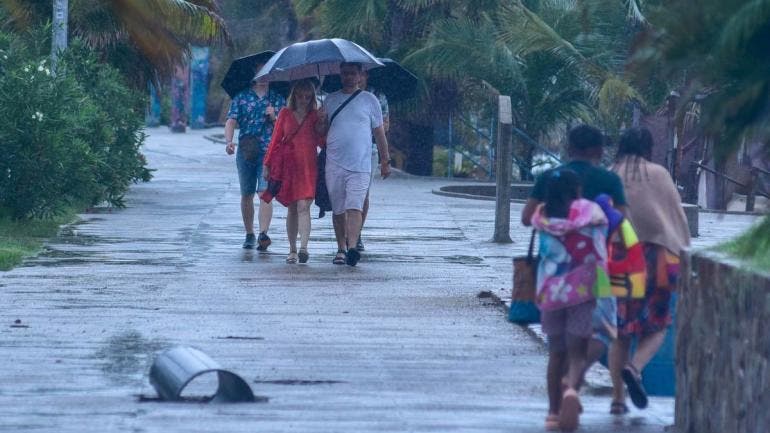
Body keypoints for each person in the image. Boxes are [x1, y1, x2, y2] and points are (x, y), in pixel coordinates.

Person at [522, 124, 627, 413]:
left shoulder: (549, 178)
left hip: (552, 283)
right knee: (605, 333)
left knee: (556, 350)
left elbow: (526, 217)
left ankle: (553, 414)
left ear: (570, 147)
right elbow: (621, 225)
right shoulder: (608, 180)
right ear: (599, 149)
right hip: (595, 276)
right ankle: (573, 381)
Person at [608, 127, 690, 414]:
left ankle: (618, 399)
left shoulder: (611, 173)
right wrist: (685, 252)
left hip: (620, 256)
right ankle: (635, 367)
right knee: (657, 324)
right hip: (657, 256)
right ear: (648, 147)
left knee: (621, 332)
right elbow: (677, 217)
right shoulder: (659, 174)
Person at [531, 169, 609, 432]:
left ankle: (553, 414)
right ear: (577, 192)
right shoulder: (589, 212)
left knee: (555, 353)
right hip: (583, 292)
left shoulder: (541, 216)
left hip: (551, 294)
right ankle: (571, 387)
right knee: (576, 354)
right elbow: (603, 228)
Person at [317, 62, 391, 266]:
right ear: (340, 75)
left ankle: (351, 247)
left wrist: (385, 160)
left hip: (360, 164)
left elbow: (379, 132)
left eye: (352, 73)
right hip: (334, 163)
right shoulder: (330, 99)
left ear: (360, 75)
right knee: (339, 208)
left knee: (355, 205)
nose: (348, 77)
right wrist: (321, 120)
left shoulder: (370, 100)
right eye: (344, 74)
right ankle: (340, 248)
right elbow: (320, 132)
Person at [262, 79, 325, 264]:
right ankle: (292, 250)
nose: (304, 99)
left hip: (308, 166)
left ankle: (304, 247)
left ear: (312, 97)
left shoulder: (315, 115)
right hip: (289, 166)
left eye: (308, 96)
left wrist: (322, 123)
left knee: (304, 206)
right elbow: (275, 139)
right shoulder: (284, 113)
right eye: (300, 95)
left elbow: (322, 141)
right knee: (292, 208)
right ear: (294, 95)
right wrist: (267, 164)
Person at [224, 69, 286, 250]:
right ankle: (249, 233)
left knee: (264, 193)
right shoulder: (241, 97)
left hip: (268, 152)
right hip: (246, 149)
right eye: (260, 73)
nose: (264, 77)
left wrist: (274, 117)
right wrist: (229, 142)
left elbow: (285, 127)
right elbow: (231, 120)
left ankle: (263, 233)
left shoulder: (277, 98)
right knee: (247, 193)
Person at [355, 69, 390, 251]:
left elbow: (385, 124)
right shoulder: (342, 95)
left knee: (363, 193)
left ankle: (356, 233)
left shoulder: (378, 97)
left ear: (366, 76)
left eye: (361, 74)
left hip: (370, 149)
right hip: (347, 150)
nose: (358, 78)